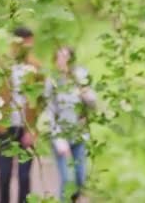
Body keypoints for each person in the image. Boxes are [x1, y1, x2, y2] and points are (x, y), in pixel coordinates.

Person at [0, 27, 43, 203]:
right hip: (5, 128)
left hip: (26, 128)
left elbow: (41, 101)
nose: (30, 48)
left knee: (24, 176)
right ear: (16, 43)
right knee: (5, 174)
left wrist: (34, 130)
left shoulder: (36, 67)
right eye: (27, 44)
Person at [44, 46, 97, 202]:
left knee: (80, 179)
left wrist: (86, 93)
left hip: (79, 135)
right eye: (59, 57)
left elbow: (93, 104)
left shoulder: (81, 76)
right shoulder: (52, 81)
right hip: (60, 136)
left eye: (65, 57)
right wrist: (58, 140)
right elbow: (49, 111)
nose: (62, 60)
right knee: (67, 180)